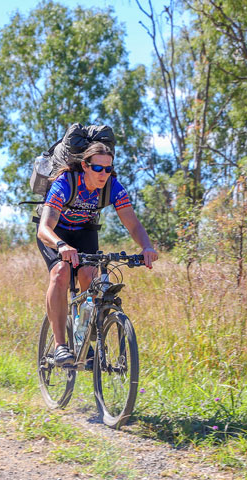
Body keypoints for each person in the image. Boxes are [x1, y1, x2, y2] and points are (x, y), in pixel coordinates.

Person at [36, 141, 158, 366]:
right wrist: (61, 246)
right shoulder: (66, 183)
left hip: (84, 230)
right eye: (98, 168)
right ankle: (60, 347)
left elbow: (133, 224)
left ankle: (83, 337)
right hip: (55, 232)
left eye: (108, 169)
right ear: (85, 166)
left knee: (90, 275)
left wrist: (147, 247)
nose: (103, 174)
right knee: (61, 272)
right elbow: (45, 228)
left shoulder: (113, 187)